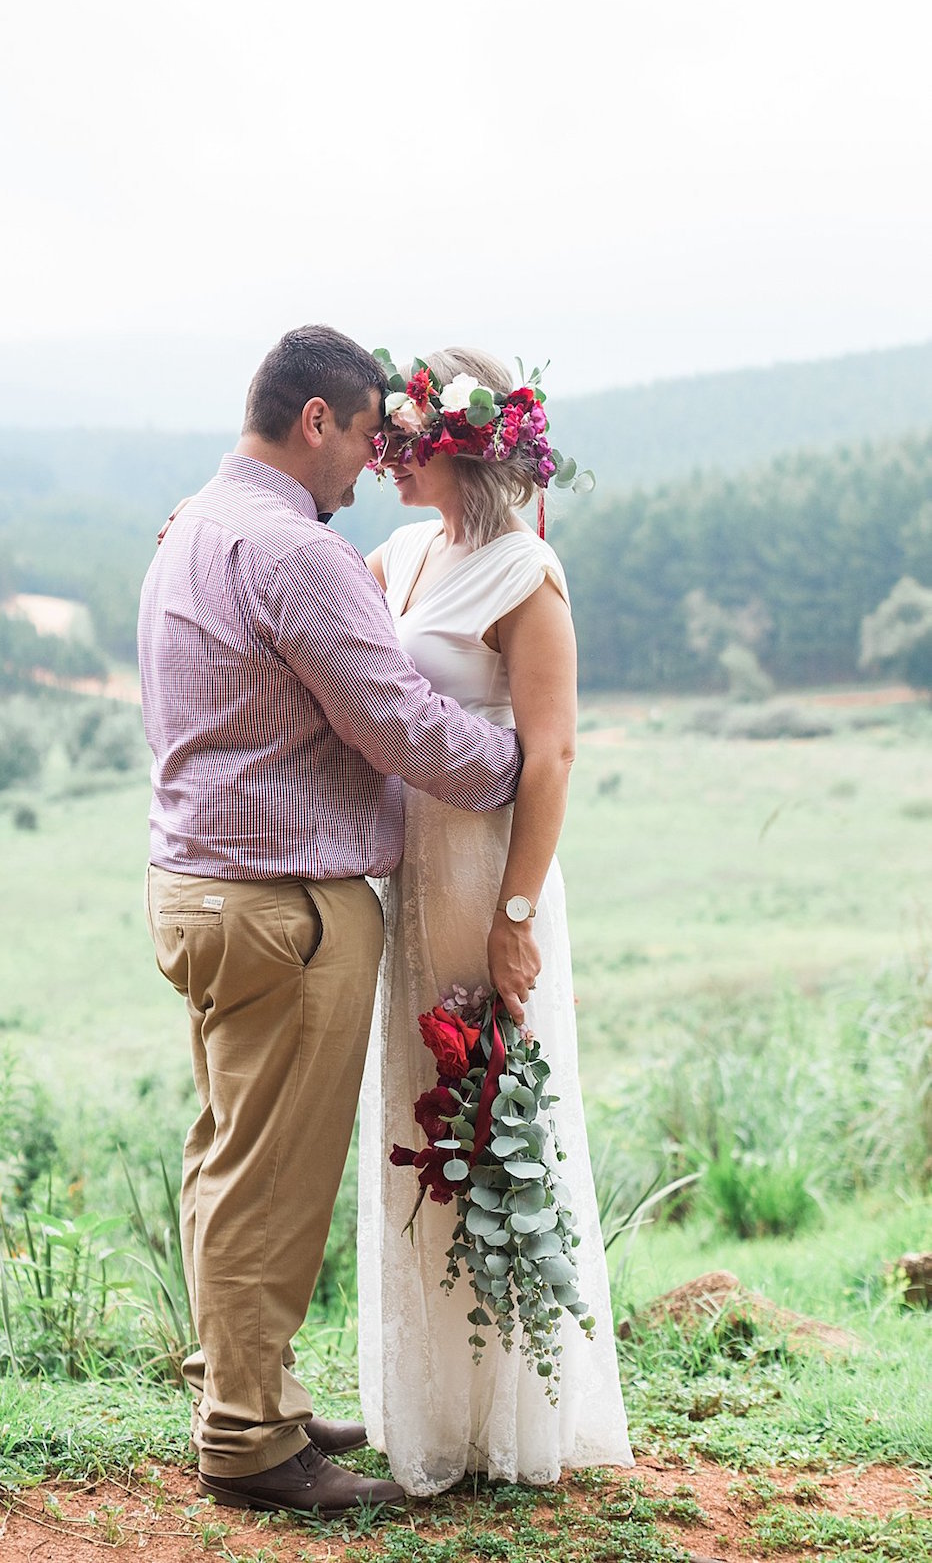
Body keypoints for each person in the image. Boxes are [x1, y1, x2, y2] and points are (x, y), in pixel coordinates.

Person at [137, 325, 530, 1517]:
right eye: (365, 435)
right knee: (273, 1178)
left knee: (225, 1158)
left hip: (197, 893)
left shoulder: (196, 524)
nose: (371, 463)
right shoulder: (294, 553)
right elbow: (402, 727)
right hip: (282, 911)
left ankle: (246, 1383)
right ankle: (250, 1443)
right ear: (317, 421)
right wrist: (522, 763)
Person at [356, 346, 633, 1494]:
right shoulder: (406, 550)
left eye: (403, 441)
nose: (384, 459)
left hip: (485, 878)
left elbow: (553, 752)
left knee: (487, 1119)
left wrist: (517, 915)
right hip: (411, 875)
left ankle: (511, 1418)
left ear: (458, 447)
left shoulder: (528, 575)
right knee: (414, 1123)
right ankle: (430, 1412)